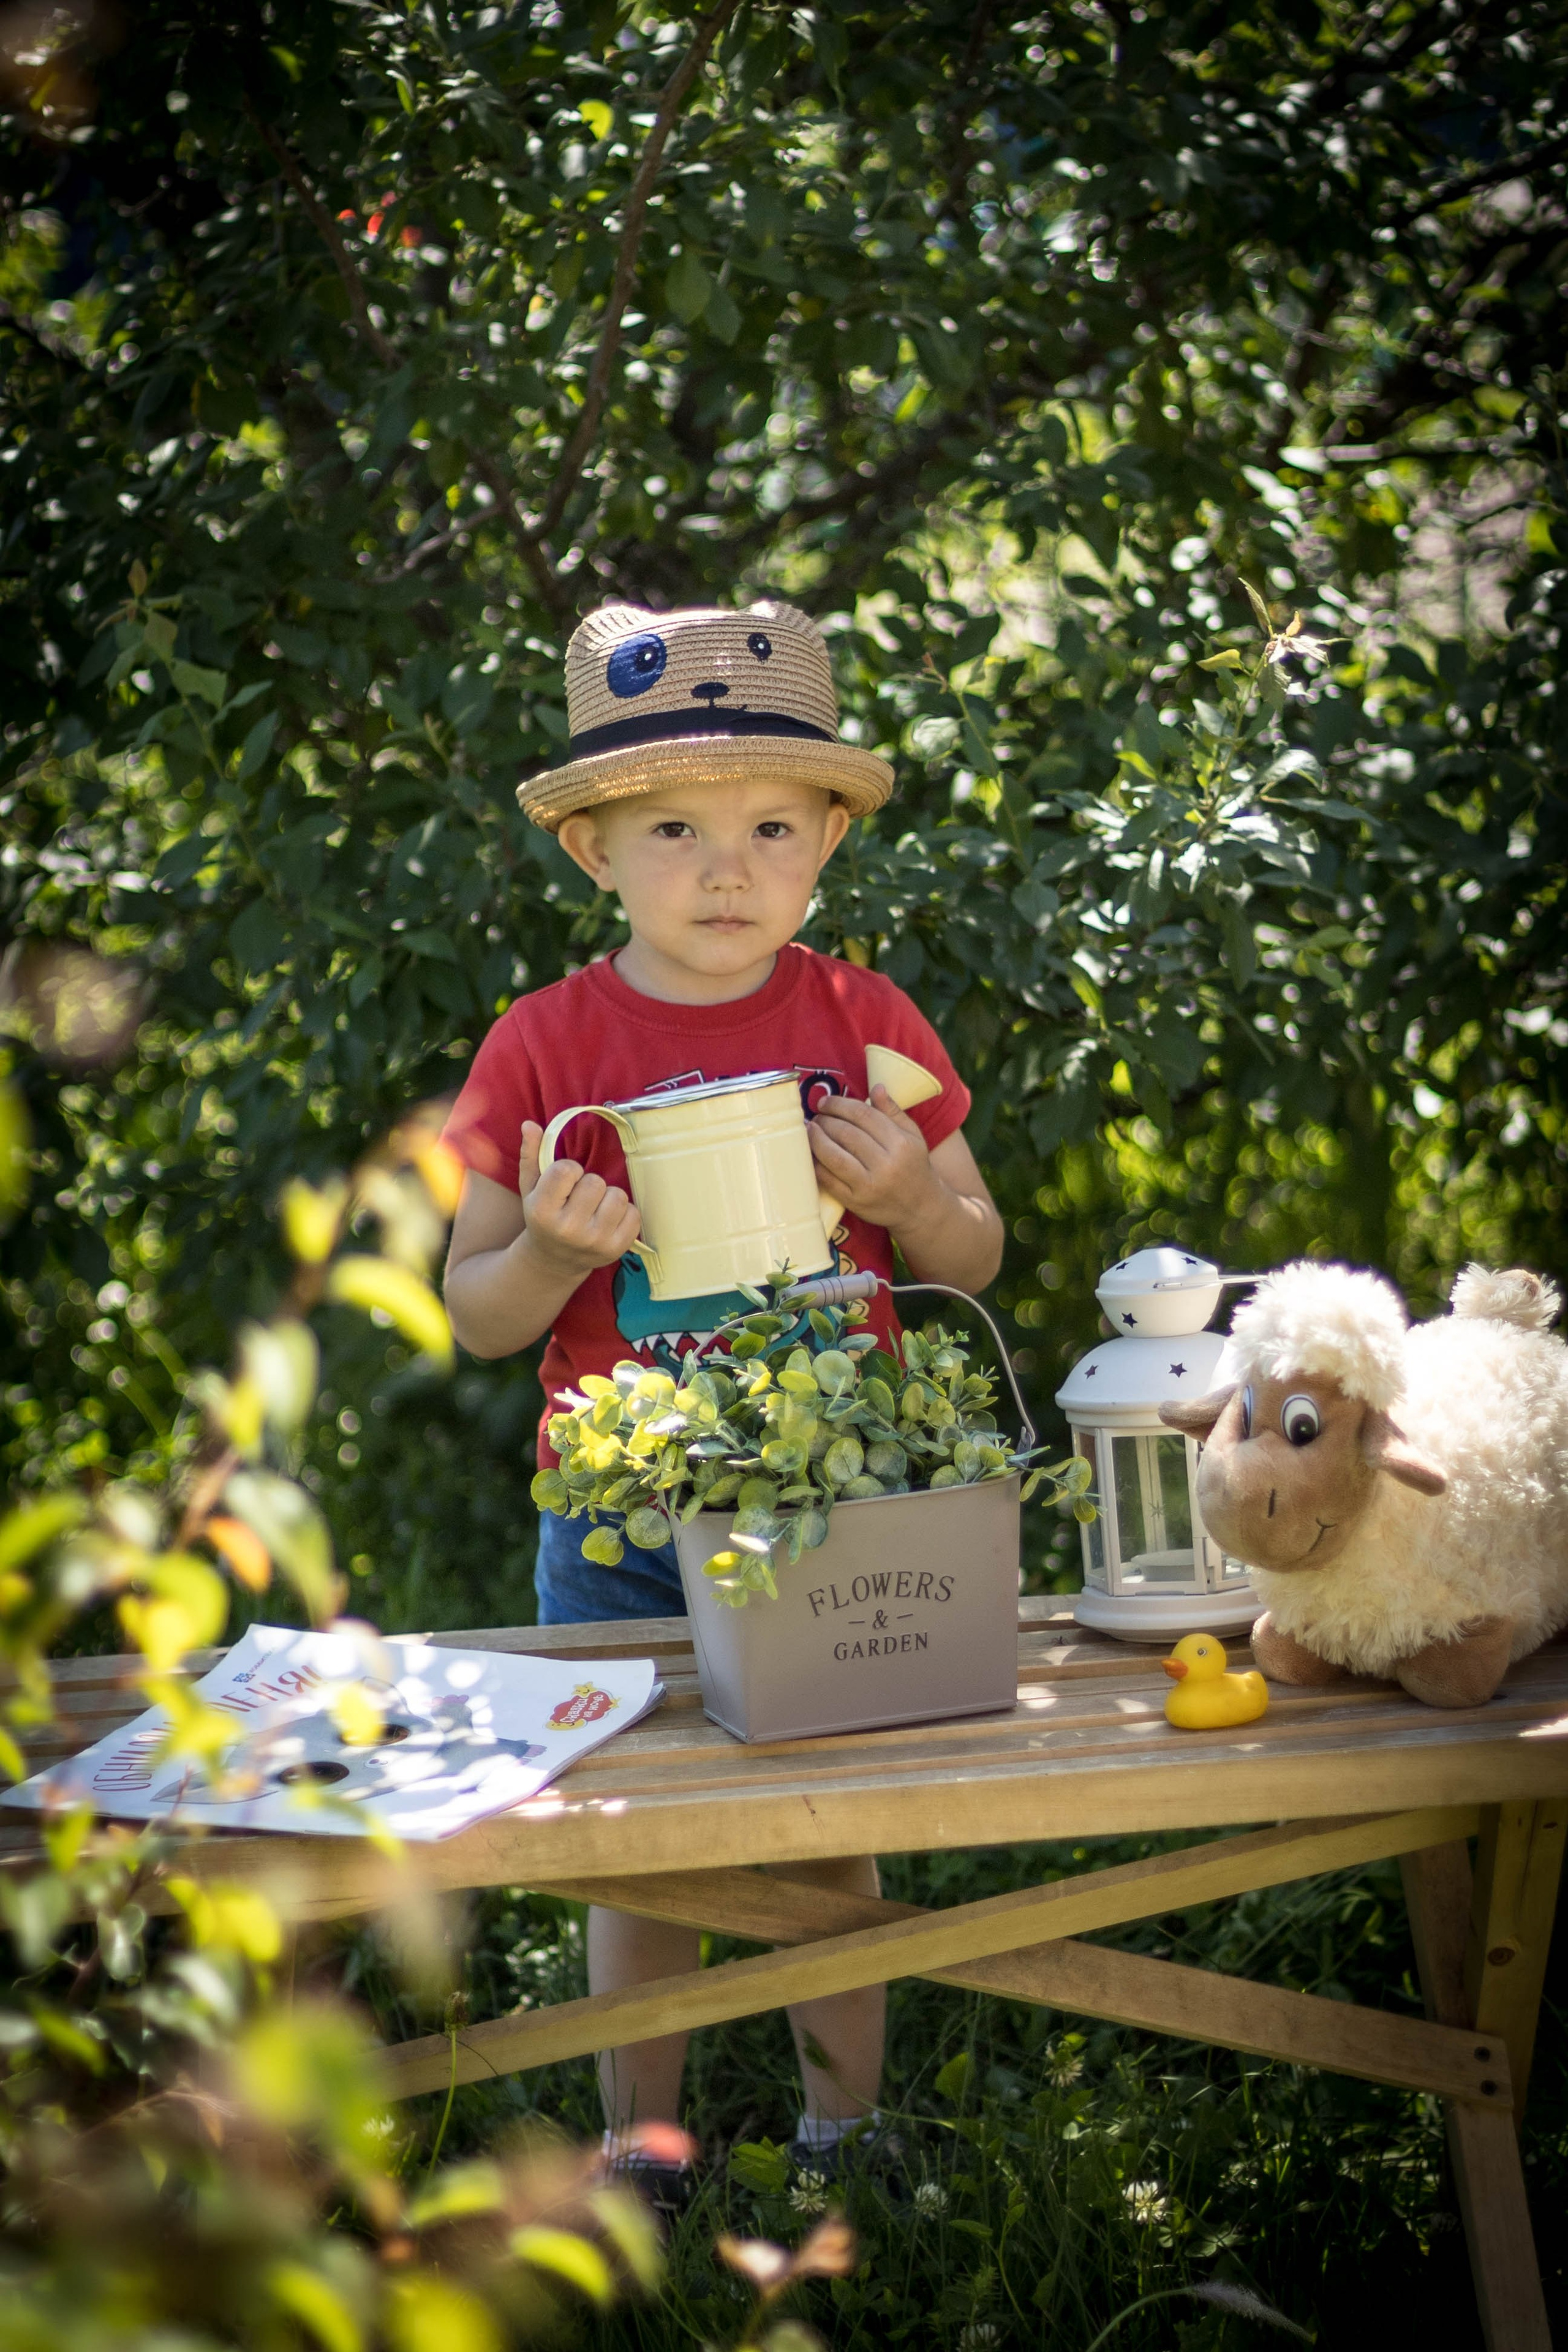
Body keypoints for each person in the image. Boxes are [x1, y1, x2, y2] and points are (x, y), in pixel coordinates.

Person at [441, 597, 1004, 2199]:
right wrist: (549, 1259)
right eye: (673, 828)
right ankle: (646, 2145)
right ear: (597, 854)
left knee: (825, 1824)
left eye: (769, 826)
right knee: (645, 1841)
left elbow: (974, 1246)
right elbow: (477, 1314)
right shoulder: (544, 1047)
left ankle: (850, 2132)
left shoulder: (864, 1026)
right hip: (618, 1522)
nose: (725, 866)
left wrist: (916, 1188)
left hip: (834, 1520)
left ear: (828, 838)